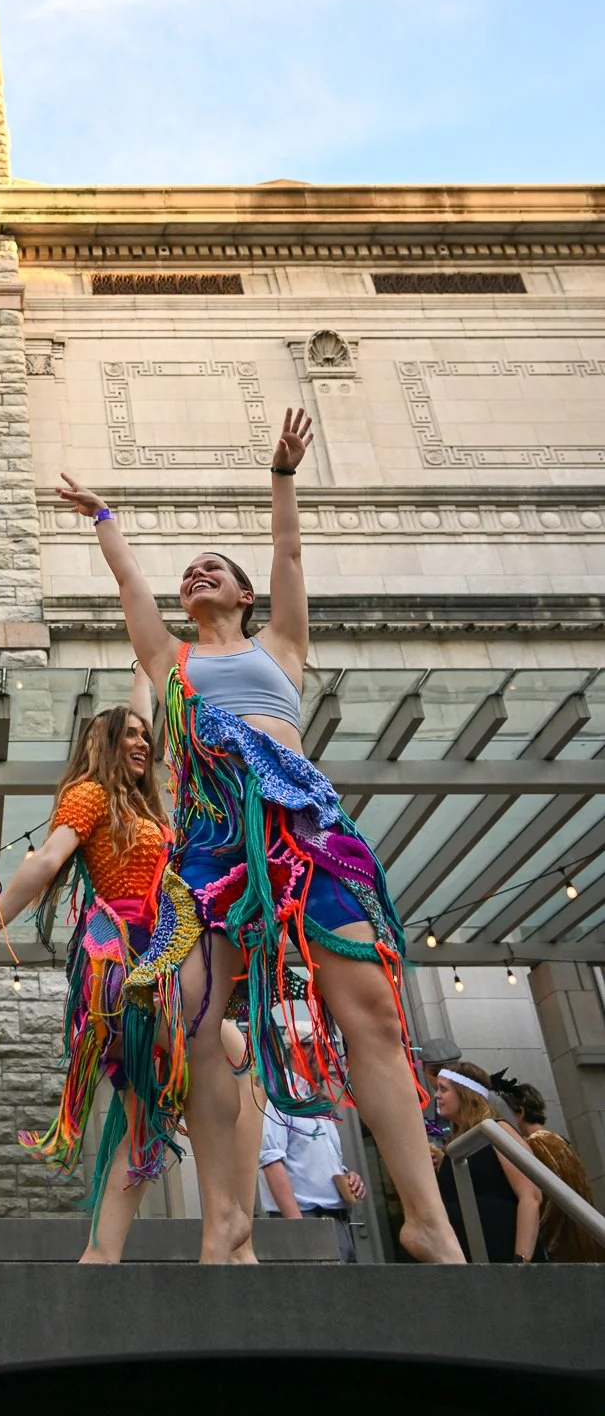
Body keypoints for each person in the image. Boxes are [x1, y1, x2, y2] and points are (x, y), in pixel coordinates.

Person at [58, 407, 465, 1265]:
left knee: (373, 1017)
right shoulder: (171, 664)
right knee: (205, 1025)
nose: (198, 573)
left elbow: (288, 555)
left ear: (242, 596)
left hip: (306, 835)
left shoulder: (280, 647)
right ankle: (225, 1221)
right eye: (189, 571)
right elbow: (131, 592)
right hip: (210, 850)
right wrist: (105, 522)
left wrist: (280, 478)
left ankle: (426, 1218)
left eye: (216, 569)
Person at [0, 677, 197, 1261]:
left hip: (164, 953)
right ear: (102, 741)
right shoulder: (91, 794)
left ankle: (106, 1255)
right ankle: (106, 1254)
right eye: (127, 733)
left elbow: (146, 712)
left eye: (145, 735)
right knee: (153, 1101)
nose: (141, 742)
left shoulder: (139, 802)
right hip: (126, 956)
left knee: (164, 1103)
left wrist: (147, 668)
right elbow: (46, 862)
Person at [490, 1071, 604, 1263]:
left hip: (561, 1236)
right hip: (579, 1229)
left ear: (520, 1113)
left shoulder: (537, 1144)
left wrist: (543, 1238)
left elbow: (548, 1195)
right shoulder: (556, 1139)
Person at [433, 1061, 542, 1263]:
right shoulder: (455, 1146)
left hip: (503, 1248)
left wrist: (521, 1259)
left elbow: (531, 1195)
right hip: (471, 1255)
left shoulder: (497, 1131)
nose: (436, 1096)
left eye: (443, 1089)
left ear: (465, 1092)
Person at [260, 1085, 367, 1262]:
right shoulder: (279, 1092)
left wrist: (347, 1175)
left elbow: (319, 1158)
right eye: (323, 1055)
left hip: (338, 1220)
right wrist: (300, 1228)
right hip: (307, 1218)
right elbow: (271, 1160)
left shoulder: (316, 1097)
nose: (328, 1058)